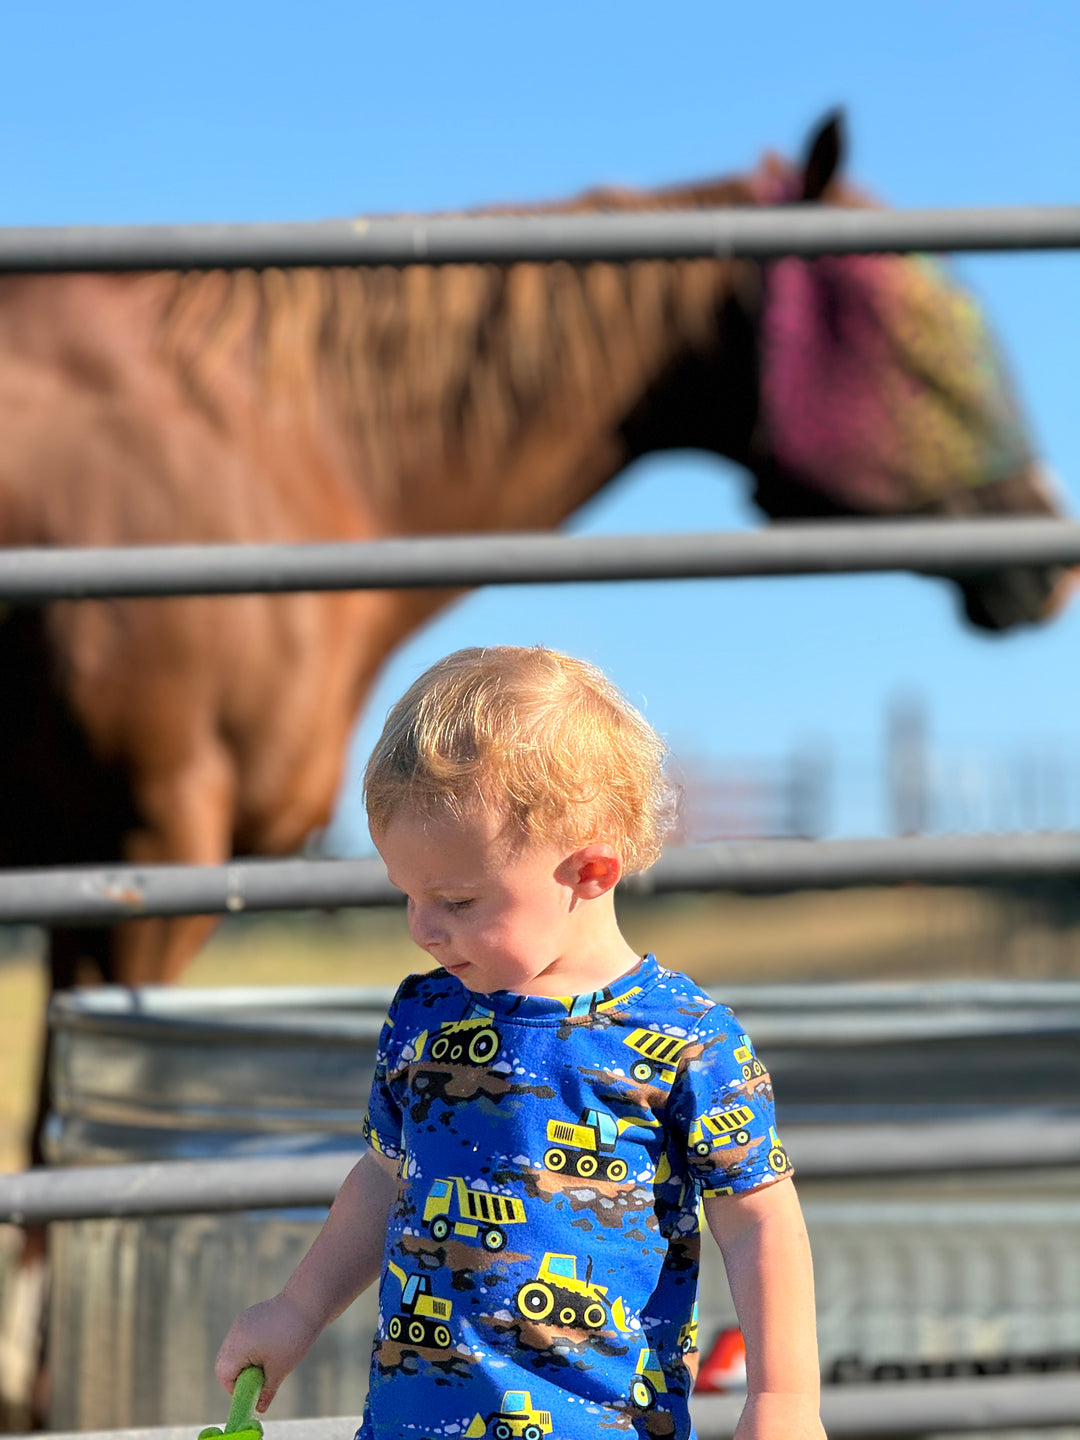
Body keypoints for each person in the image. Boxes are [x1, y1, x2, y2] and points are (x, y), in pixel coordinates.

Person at [215, 646, 825, 1440]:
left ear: (591, 871)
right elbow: (380, 1179)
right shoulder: (424, 1015)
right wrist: (296, 1309)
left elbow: (759, 1221)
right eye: (406, 895)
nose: (423, 929)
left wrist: (783, 1402)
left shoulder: (686, 1039)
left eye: (458, 900)